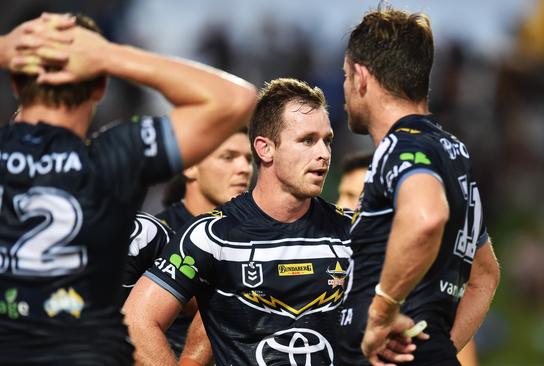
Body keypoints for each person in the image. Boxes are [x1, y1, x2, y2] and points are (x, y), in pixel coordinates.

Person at [0, 13, 256, 365]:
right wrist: (110, 56)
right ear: (100, 87)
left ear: (15, 82)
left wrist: (4, 47)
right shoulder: (114, 156)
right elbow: (234, 98)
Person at [123, 78, 353, 365]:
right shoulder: (212, 236)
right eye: (307, 140)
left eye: (327, 140)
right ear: (265, 148)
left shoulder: (352, 232)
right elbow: (136, 322)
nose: (323, 153)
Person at [337, 8, 500, 366]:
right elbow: (485, 275)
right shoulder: (451, 152)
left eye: (346, 76)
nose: (345, 89)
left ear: (362, 77)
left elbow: (427, 216)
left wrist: (381, 313)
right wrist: (441, 350)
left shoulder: (402, 146)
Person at [124, 129, 253, 362]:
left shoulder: (260, 239)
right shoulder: (151, 239)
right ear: (190, 167)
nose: (244, 168)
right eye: (228, 157)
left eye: (248, 159)